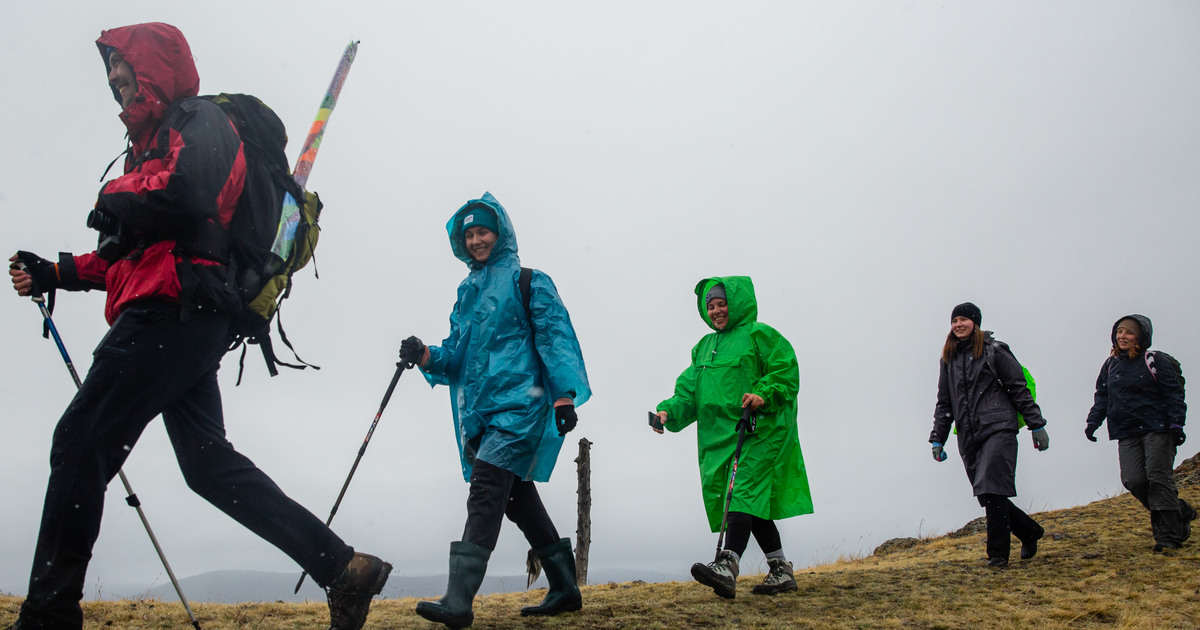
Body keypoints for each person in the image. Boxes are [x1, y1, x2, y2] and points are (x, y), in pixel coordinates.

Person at [6, 23, 389, 630]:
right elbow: (126, 260)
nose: (114, 80)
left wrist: (115, 194)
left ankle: (49, 615)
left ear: (155, 66)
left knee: (80, 440)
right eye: (108, 73)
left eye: (122, 67)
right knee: (208, 465)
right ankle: (343, 568)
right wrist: (54, 271)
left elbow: (189, 194)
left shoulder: (200, 122)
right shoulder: (149, 146)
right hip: (179, 308)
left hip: (176, 310)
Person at [399, 193, 591, 628]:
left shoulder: (530, 281)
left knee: (486, 490)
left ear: (500, 232)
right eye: (468, 234)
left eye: (483, 231)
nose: (475, 240)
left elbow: (555, 339)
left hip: (522, 407)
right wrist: (425, 353)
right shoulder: (467, 292)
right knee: (517, 498)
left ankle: (459, 599)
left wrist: (564, 396)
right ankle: (564, 588)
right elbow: (455, 356)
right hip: (481, 414)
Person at [653, 277, 812, 599]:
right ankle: (781, 570)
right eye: (710, 306)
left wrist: (763, 394)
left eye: (722, 304)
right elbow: (689, 391)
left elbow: (785, 372)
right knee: (746, 500)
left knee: (740, 492)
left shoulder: (760, 335)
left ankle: (727, 565)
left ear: (736, 304)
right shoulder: (703, 348)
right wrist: (668, 412)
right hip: (720, 437)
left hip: (760, 430)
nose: (716, 311)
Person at [929, 302, 1050, 568]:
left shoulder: (995, 351)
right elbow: (945, 402)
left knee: (993, 488)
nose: (958, 324)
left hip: (999, 428)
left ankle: (997, 556)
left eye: (964, 319)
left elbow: (1018, 388)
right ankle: (1030, 532)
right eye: (954, 320)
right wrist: (938, 437)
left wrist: (1036, 425)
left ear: (976, 322)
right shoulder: (947, 360)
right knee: (987, 495)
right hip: (968, 435)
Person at [1085, 314, 1196, 552]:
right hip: (1126, 431)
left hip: (1158, 429)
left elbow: (1174, 394)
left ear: (1140, 337)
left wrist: (1177, 424)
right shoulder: (1110, 364)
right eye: (1119, 332)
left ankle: (1168, 536)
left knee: (1158, 478)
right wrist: (1093, 422)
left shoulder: (1154, 360)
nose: (1122, 336)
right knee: (1133, 480)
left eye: (1129, 332)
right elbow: (1102, 396)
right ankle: (1180, 512)